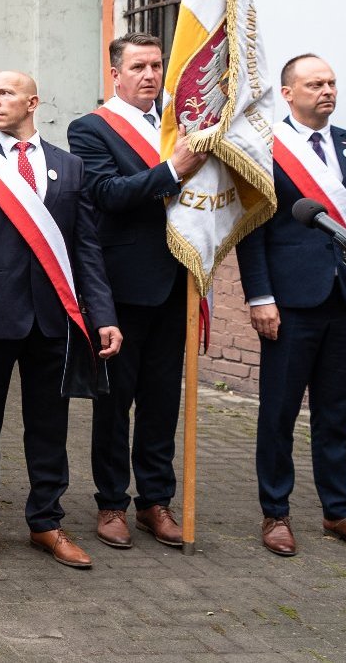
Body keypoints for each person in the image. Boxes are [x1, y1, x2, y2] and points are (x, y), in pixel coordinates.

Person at [0, 70, 120, 570]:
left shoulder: (71, 166)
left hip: (53, 318)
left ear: (33, 102)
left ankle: (46, 521)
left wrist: (101, 313)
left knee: (50, 425)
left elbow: (86, 249)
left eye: (6, 94)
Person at [237, 53, 346, 558]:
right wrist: (260, 296)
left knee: (336, 412)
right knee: (279, 412)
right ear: (288, 93)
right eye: (313, 84)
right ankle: (276, 513)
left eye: (330, 82)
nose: (326, 90)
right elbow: (252, 230)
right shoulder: (265, 149)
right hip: (289, 302)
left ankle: (339, 512)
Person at [67, 33, 204, 550]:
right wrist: (174, 170)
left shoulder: (182, 127)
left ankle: (155, 501)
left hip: (177, 283)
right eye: (139, 67)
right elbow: (106, 195)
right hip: (122, 289)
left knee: (163, 400)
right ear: (116, 75)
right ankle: (110, 503)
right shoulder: (92, 129)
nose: (150, 75)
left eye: (157, 66)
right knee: (114, 401)